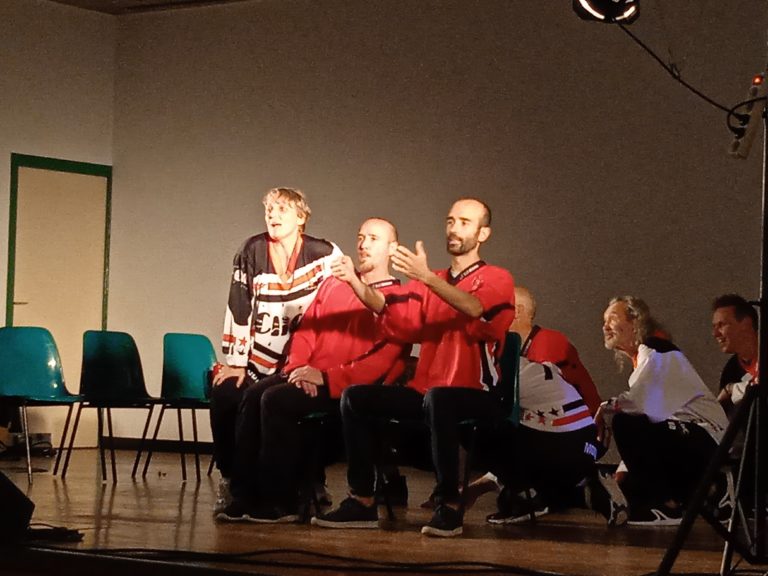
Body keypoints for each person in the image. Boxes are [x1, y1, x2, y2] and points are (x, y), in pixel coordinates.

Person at [312, 197, 515, 538]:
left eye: (465, 222)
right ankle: (362, 500)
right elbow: (397, 317)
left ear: (483, 234)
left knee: (440, 399)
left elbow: (476, 309)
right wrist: (356, 284)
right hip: (428, 391)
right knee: (355, 397)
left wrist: (427, 277)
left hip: (478, 393)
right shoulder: (431, 280)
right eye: (451, 220)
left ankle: (449, 505)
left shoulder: (496, 277)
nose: (454, 228)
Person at [215, 217, 409, 523]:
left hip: (343, 387)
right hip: (307, 374)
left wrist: (327, 378)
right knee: (252, 395)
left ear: (392, 248)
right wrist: (298, 367)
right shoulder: (334, 284)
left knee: (275, 401)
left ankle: (281, 501)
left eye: (374, 238)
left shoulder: (397, 297)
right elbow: (307, 329)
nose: (363, 244)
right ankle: (244, 496)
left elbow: (385, 359)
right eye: (361, 237)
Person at [209, 187, 342, 513]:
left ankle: (310, 479)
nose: (273, 215)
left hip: (304, 361)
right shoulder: (251, 250)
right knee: (225, 393)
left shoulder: (325, 254)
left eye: (282, 209)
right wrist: (237, 362)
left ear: (301, 217)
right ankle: (232, 478)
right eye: (269, 209)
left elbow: (334, 308)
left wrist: (319, 366)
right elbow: (239, 306)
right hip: (259, 359)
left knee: (289, 405)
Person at [597, 296, 728, 526]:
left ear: (635, 322)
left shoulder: (659, 351)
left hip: (707, 442)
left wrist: (604, 409)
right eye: (604, 321)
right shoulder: (647, 360)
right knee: (627, 485)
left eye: (613, 319)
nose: (605, 326)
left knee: (624, 422)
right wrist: (624, 470)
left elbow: (639, 405)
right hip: (690, 441)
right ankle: (699, 494)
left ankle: (669, 505)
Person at [711, 294, 758, 413]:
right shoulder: (730, 371)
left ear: (746, 324)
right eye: (714, 326)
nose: (715, 333)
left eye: (721, 325)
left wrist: (731, 389)